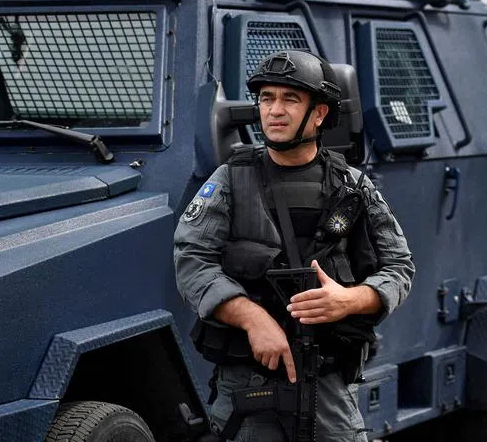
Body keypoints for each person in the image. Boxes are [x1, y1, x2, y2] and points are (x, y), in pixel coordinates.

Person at [173, 50, 415, 442]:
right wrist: (252, 318)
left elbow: (399, 267)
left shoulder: (352, 186)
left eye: (290, 99)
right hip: (248, 388)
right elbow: (191, 261)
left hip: (327, 386)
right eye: (266, 98)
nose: (275, 110)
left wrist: (352, 300)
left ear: (319, 114)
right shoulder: (230, 180)